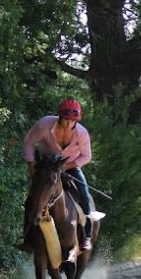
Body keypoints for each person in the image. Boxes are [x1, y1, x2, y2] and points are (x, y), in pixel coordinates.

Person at [17, 98, 96, 252]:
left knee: (85, 196)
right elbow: (28, 143)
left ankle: (86, 236)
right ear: (60, 117)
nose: (68, 124)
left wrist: (67, 166)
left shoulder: (82, 134)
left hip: (70, 166)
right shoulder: (44, 125)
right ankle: (28, 239)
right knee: (33, 197)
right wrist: (32, 166)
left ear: (77, 121)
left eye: (72, 121)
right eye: (66, 119)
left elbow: (86, 156)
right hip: (46, 165)